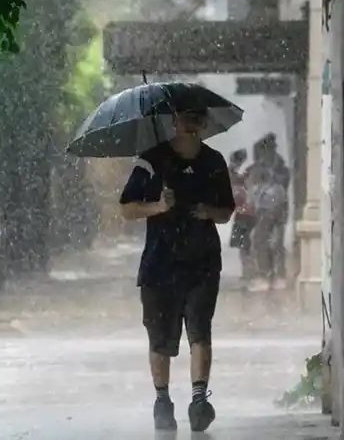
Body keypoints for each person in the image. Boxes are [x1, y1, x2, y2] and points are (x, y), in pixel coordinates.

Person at [119, 108, 236, 432]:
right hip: (160, 263)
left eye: (196, 119)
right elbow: (127, 208)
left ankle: (199, 400)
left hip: (202, 262)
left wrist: (207, 211)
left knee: (200, 329)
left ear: (203, 122)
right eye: (185, 118)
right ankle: (163, 400)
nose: (191, 125)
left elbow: (227, 212)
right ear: (174, 121)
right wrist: (158, 206)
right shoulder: (152, 161)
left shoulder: (214, 162)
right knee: (160, 337)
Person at [245, 134, 290, 292]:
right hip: (281, 205)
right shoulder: (280, 165)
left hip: (268, 206)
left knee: (260, 240)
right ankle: (279, 276)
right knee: (276, 241)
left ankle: (265, 276)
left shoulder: (262, 166)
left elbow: (253, 187)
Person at [227, 149, 256, 283]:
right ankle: (248, 273)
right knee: (245, 246)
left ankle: (249, 273)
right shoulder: (236, 176)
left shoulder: (241, 177)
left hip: (246, 214)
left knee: (246, 246)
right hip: (244, 214)